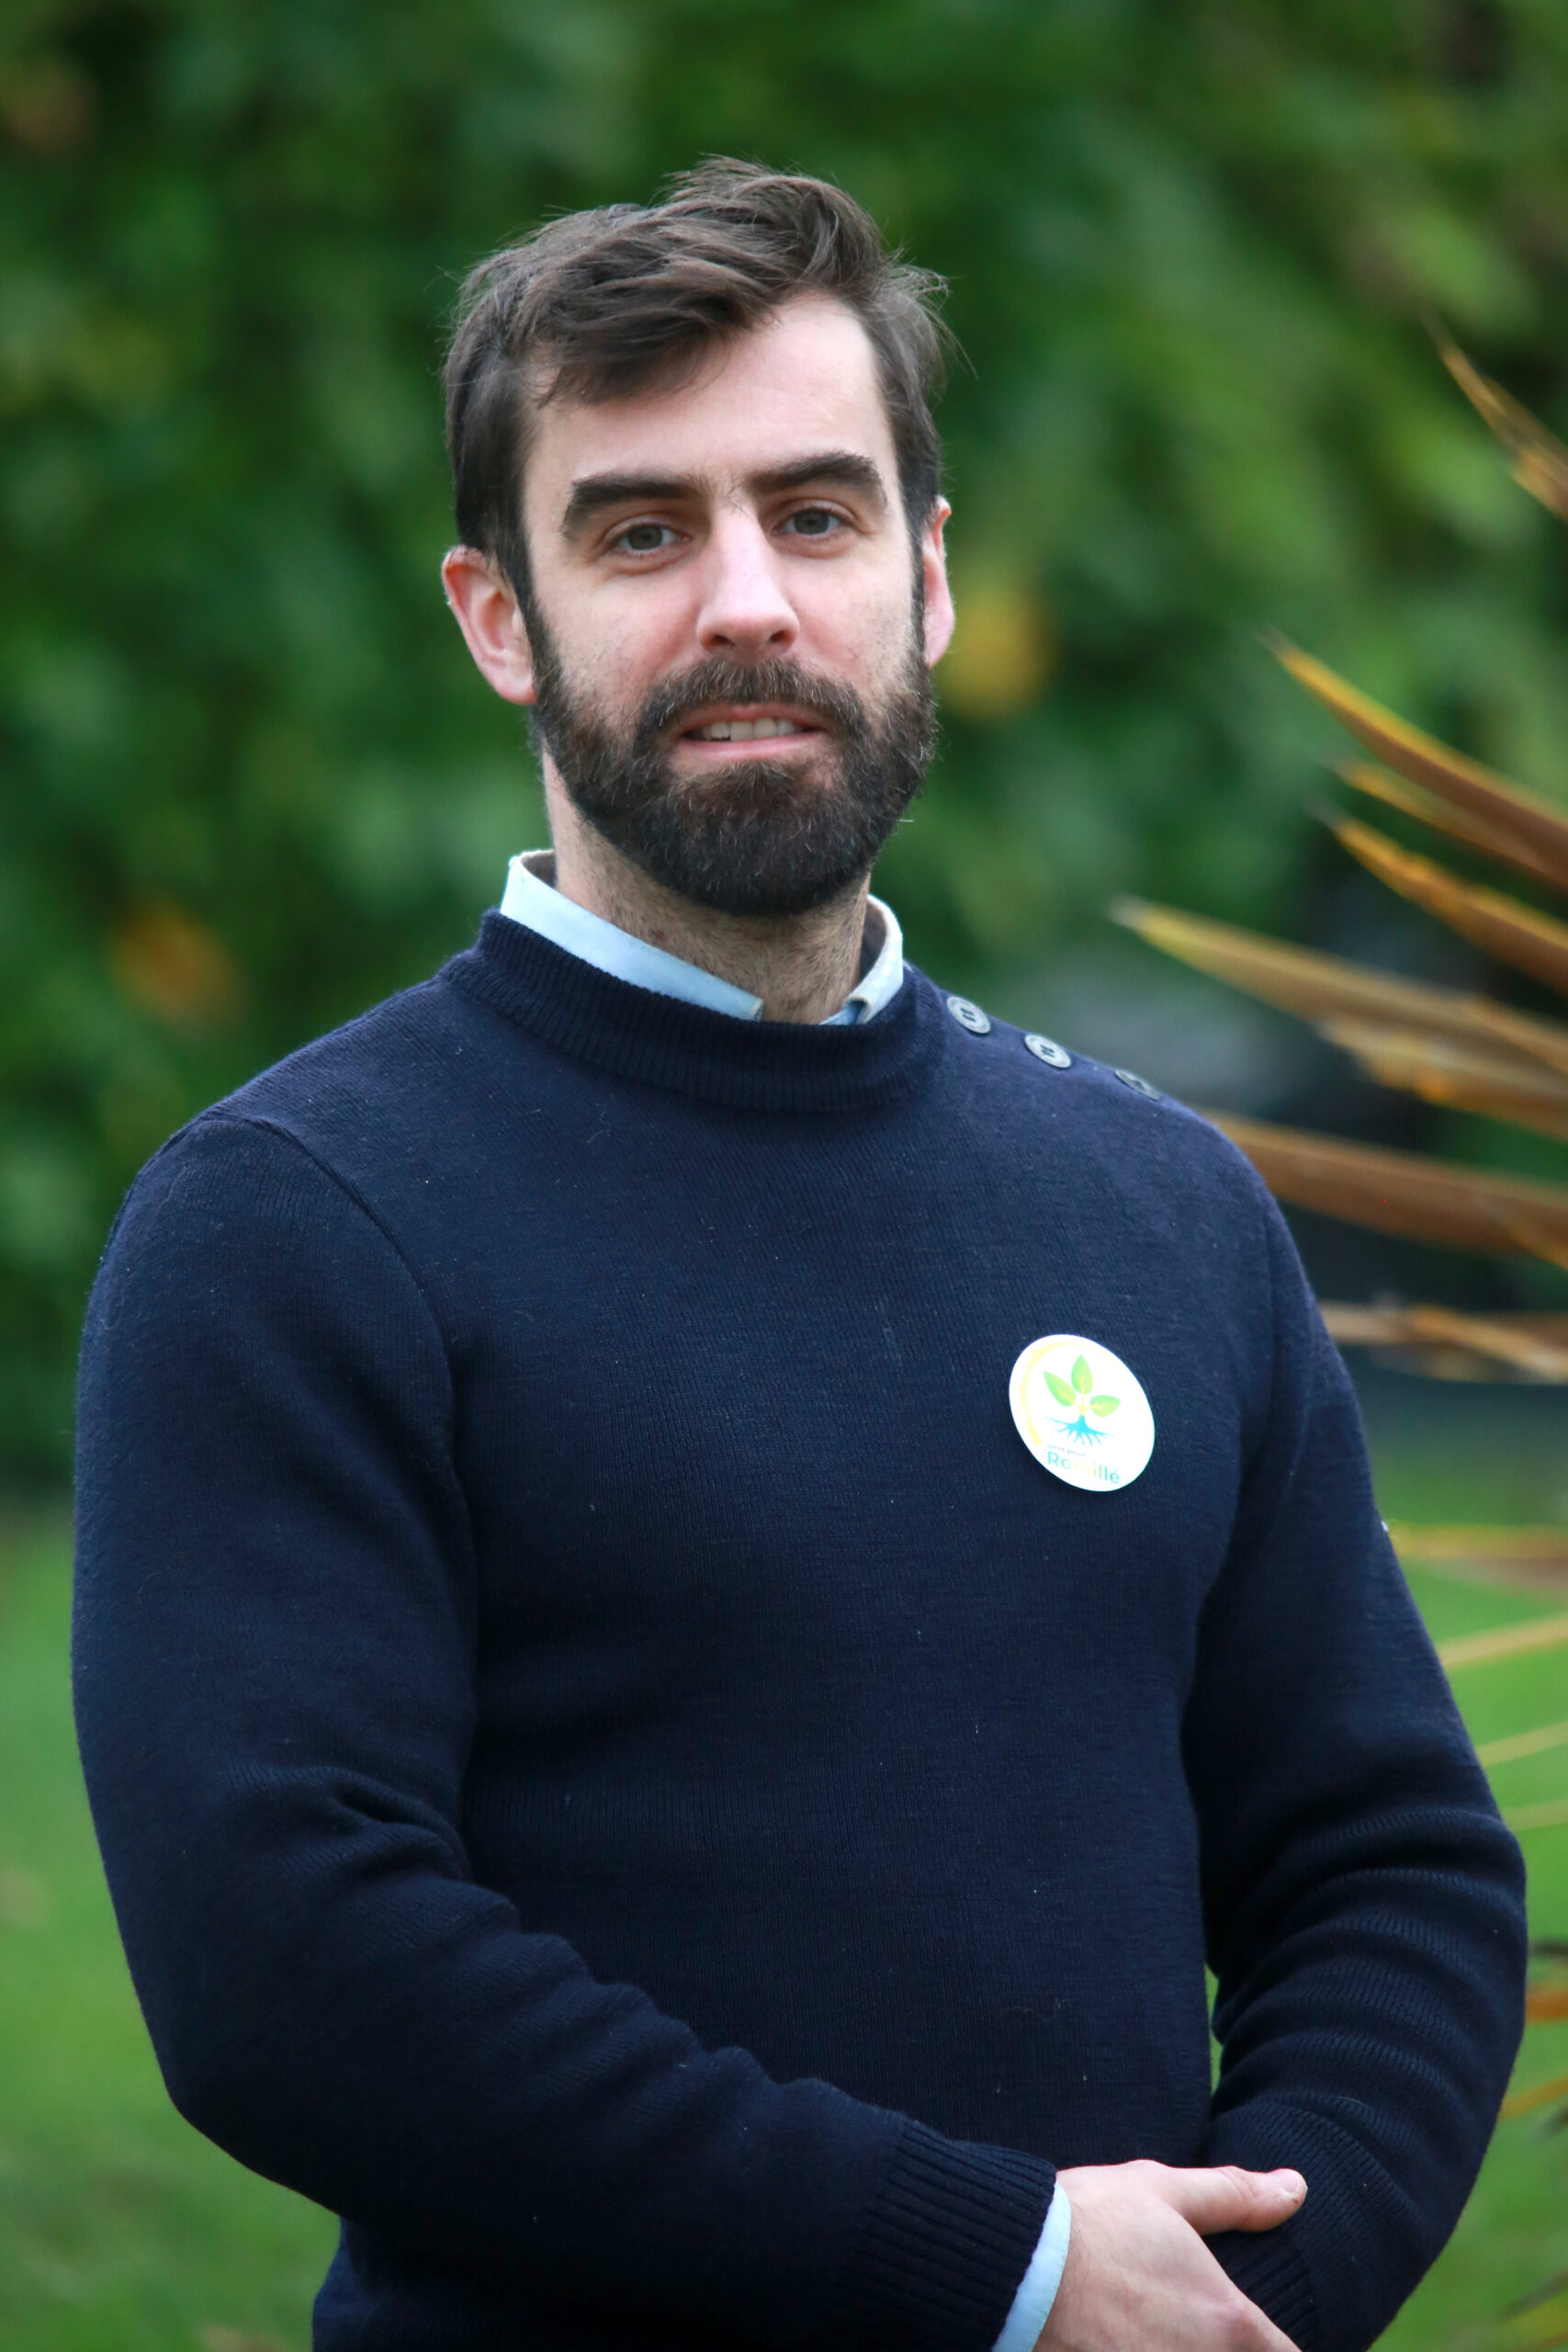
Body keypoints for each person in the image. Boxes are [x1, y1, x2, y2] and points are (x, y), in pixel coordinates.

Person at [73, 161, 1524, 2352]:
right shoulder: (294, 1218)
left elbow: (1385, 1862)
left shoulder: (1157, 1201)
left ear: (926, 580)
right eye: (639, 531)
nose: (744, 600)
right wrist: (1001, 2271)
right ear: (497, 615)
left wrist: (1239, 2301)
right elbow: (287, 1959)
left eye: (814, 514)